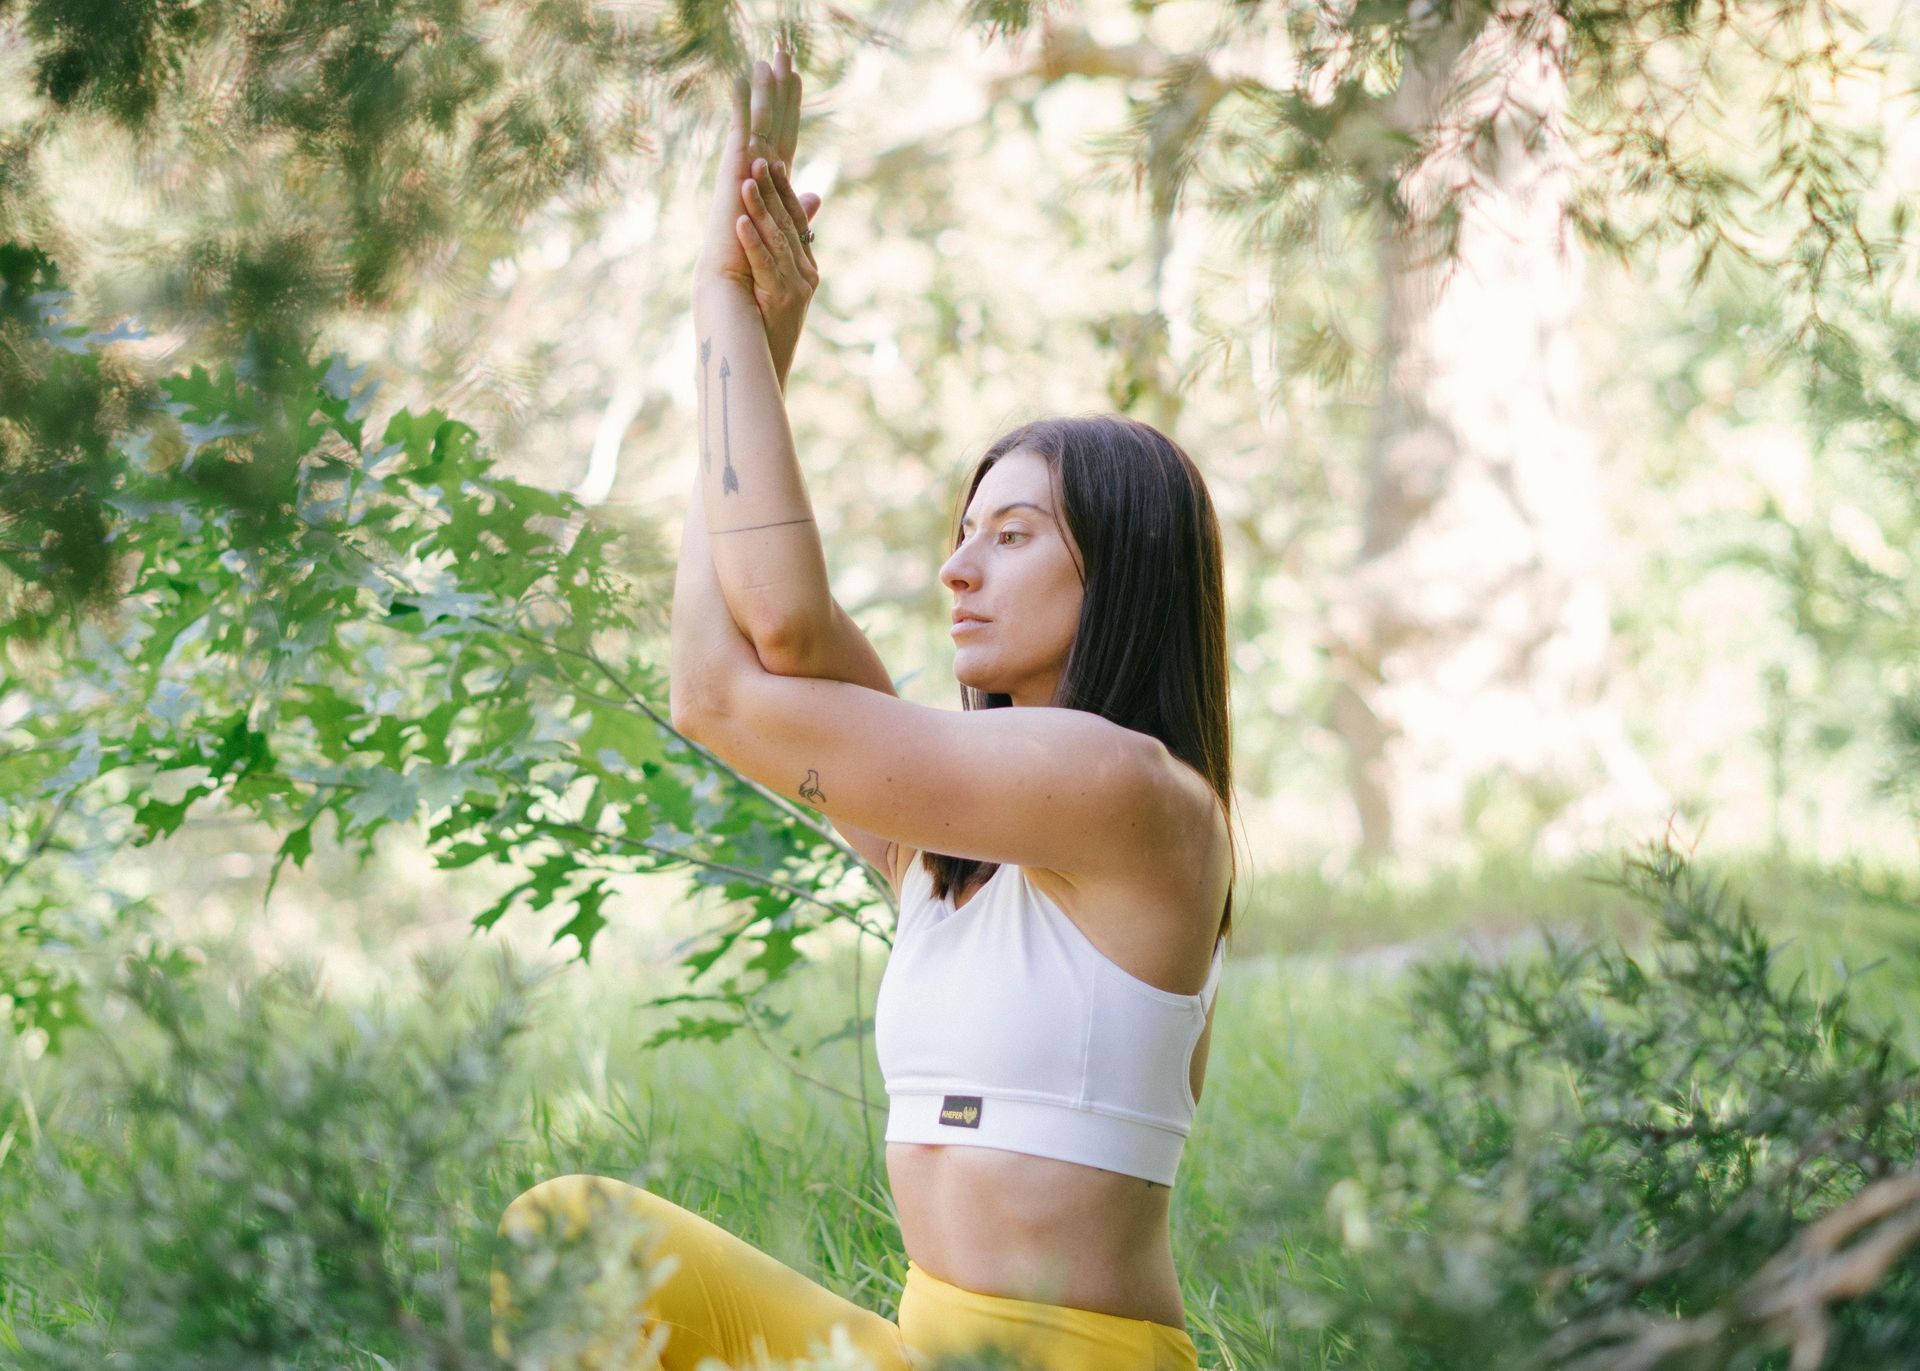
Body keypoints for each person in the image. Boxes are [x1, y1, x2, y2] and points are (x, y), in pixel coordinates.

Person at [492, 44, 1238, 1371]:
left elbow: (729, 682)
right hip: (922, 1345)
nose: (957, 567)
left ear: (1118, 571)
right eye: (963, 532)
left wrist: (722, 300)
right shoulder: (944, 840)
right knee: (580, 1239)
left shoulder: (1132, 794)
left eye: (1011, 537)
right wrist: (757, 340)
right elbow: (750, 632)